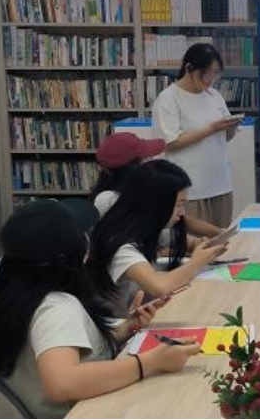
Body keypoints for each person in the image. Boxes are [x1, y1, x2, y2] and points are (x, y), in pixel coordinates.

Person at [0, 200, 200, 419]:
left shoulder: (8, 294)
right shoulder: (56, 308)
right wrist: (150, 362)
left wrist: (125, 327)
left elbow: (53, 343)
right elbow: (61, 383)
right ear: (76, 253)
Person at [88, 160, 227, 317]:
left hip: (134, 314)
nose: (182, 213)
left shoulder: (146, 229)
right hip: (117, 326)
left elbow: (189, 242)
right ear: (156, 204)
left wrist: (207, 246)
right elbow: (159, 287)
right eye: (178, 205)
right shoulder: (119, 244)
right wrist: (197, 262)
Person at [152, 43, 242, 227]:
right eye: (206, 72)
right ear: (189, 68)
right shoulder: (169, 98)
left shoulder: (214, 95)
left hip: (220, 183)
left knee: (220, 236)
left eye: (216, 73)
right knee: (194, 240)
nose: (211, 78)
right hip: (190, 189)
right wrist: (211, 129)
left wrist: (230, 127)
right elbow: (169, 143)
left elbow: (225, 138)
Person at [92, 132, 225, 244]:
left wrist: (219, 234)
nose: (152, 161)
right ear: (132, 168)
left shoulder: (145, 190)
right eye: (147, 158)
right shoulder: (107, 199)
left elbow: (176, 220)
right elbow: (132, 247)